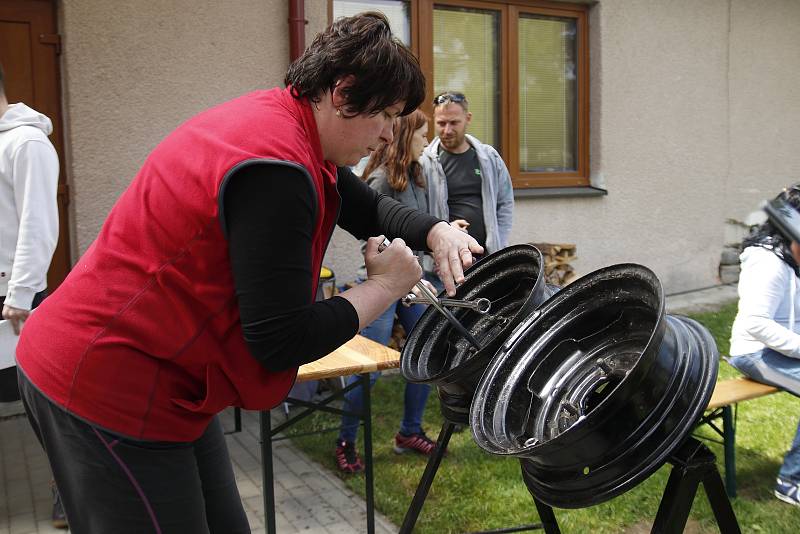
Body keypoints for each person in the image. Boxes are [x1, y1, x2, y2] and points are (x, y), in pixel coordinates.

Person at [15, 13, 482, 533]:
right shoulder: (274, 167)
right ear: (343, 92)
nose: (390, 134)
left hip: (171, 381)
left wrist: (436, 232)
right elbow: (280, 340)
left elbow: (364, 205)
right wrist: (386, 286)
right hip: (106, 380)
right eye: (388, 115)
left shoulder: (290, 122)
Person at [335, 110, 436, 473]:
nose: (426, 142)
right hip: (380, 285)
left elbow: (417, 229)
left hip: (414, 282)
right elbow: (369, 231)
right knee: (369, 369)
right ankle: (345, 440)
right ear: (405, 135)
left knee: (428, 356)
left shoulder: (418, 175)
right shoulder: (379, 180)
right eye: (422, 135)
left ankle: (409, 431)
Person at [0, 64, 67, 529]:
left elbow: (38, 224)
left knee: (44, 407)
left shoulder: (26, 143)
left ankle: (70, 489)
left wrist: (20, 294)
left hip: (14, 300)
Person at [729, 184, 800, 507]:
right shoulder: (768, 263)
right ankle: (791, 481)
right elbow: (756, 324)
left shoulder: (790, 256)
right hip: (755, 353)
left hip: (784, 348)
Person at [420, 91, 514, 271]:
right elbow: (419, 210)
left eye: (454, 123)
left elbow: (505, 203)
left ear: (468, 118)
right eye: (441, 123)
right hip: (444, 262)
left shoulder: (489, 157)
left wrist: (498, 244)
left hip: (486, 258)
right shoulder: (425, 162)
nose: (447, 130)